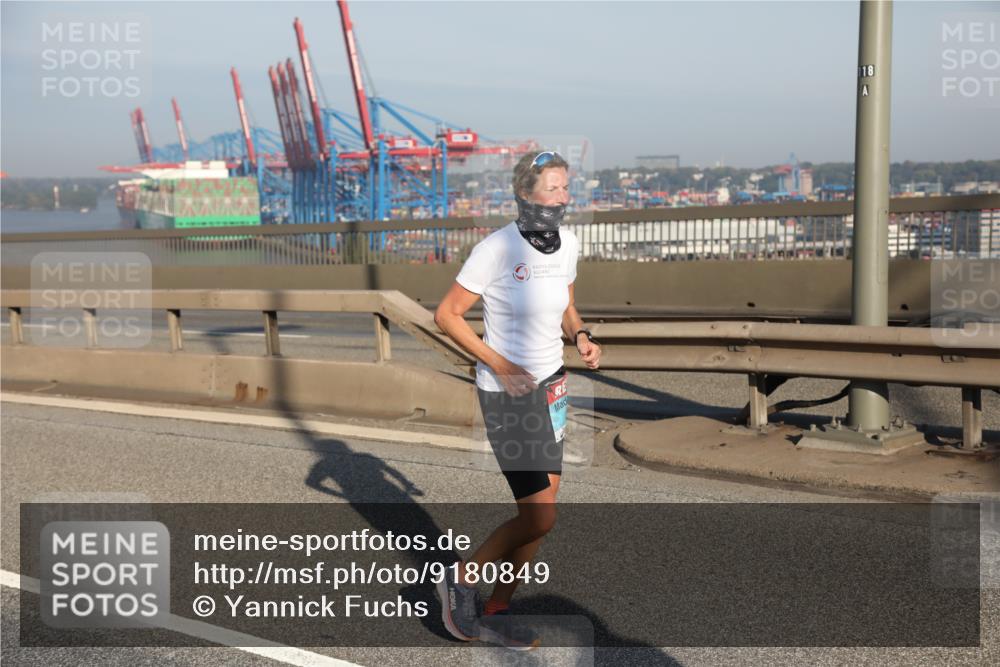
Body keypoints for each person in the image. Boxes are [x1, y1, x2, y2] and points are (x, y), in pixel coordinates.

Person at [433, 150, 602, 650]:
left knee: (541, 514)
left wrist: (582, 336)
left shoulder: (567, 243)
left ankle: (499, 609)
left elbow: (567, 306)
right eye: (552, 188)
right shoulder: (497, 248)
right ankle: (460, 580)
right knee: (539, 515)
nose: (562, 197)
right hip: (507, 394)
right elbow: (447, 315)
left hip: (551, 388)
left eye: (565, 188)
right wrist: (500, 364)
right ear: (526, 194)